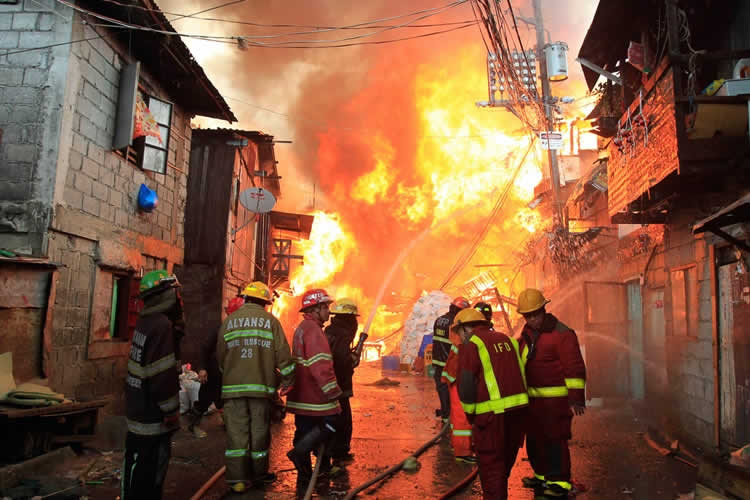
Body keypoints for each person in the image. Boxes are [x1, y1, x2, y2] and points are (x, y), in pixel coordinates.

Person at [216, 282, 295, 493]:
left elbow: (221, 358)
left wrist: (231, 373)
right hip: (260, 389)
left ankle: (237, 480)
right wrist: (288, 381)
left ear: (245, 299)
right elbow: (283, 356)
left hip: (233, 389)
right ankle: (258, 475)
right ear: (266, 303)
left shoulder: (229, 321)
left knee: (236, 435)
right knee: (259, 433)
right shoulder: (271, 322)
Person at [517, 288, 586, 498]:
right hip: (533, 403)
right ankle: (541, 476)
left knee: (555, 441)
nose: (531, 319)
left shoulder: (562, 334)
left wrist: (575, 399)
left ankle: (559, 482)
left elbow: (574, 367)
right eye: (527, 315)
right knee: (536, 441)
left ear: (543, 309)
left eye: (535, 314)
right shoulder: (527, 334)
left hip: (556, 404)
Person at [122, 270, 185, 500]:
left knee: (136, 468)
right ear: (166, 296)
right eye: (176, 294)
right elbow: (161, 375)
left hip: (138, 409)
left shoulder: (146, 321)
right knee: (149, 477)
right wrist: (170, 411)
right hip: (152, 417)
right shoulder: (160, 326)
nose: (180, 300)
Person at [455, 308, 529, 500]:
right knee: (504, 464)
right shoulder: (507, 340)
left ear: (467, 328)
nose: (459, 337)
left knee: (491, 466)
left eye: (459, 332)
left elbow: (466, 385)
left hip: (491, 417)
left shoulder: (472, 345)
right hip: (518, 413)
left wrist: (471, 415)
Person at [286, 289, 343, 493]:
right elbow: (321, 367)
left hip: (302, 396)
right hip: (315, 396)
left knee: (304, 431)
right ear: (315, 309)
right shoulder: (314, 331)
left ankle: (306, 480)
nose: (329, 311)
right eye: (325, 307)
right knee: (333, 422)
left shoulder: (303, 327)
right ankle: (299, 453)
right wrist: (333, 391)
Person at [186, 296, 244, 438]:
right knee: (205, 400)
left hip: (227, 374)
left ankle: (229, 425)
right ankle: (192, 426)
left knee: (224, 401)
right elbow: (204, 348)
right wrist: (202, 368)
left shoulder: (240, 331)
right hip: (213, 373)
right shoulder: (221, 329)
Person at [324, 297, 359, 461]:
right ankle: (339, 452)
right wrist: (351, 359)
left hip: (328, 384)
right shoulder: (343, 334)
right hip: (340, 385)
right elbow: (340, 359)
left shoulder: (330, 331)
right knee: (343, 420)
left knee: (330, 418)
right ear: (349, 318)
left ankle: (327, 449)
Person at [440, 322, 475, 463]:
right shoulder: (465, 341)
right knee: (462, 418)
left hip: (455, 379)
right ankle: (463, 452)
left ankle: (459, 447)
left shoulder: (462, 338)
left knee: (458, 417)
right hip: (458, 380)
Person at [432, 297, 470, 423]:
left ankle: (445, 416)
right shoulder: (455, 324)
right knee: (453, 392)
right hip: (449, 363)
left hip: (438, 362)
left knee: (442, 391)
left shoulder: (439, 320)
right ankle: (450, 418)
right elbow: (459, 344)